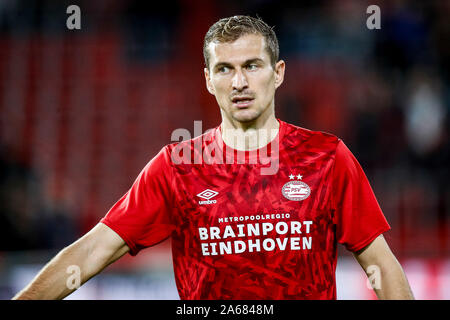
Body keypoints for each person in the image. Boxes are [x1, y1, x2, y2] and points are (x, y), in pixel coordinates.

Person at [13, 15, 414, 300]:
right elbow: (92, 251)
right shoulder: (177, 166)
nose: (239, 82)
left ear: (278, 73)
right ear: (208, 79)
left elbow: (379, 262)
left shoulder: (327, 158)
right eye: (224, 69)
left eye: (252, 66)